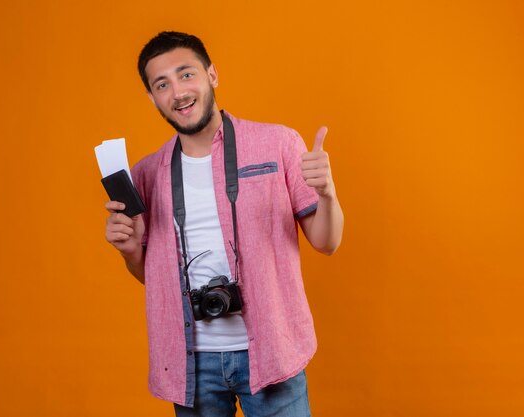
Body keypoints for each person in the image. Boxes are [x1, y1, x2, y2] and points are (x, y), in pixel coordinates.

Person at [104, 31, 344, 417]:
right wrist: (131, 251)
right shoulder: (146, 175)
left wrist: (328, 193)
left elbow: (326, 241)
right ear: (152, 97)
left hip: (272, 352)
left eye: (186, 75)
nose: (178, 92)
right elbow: (154, 280)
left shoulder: (278, 144)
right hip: (191, 367)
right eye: (162, 84)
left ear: (212, 74)